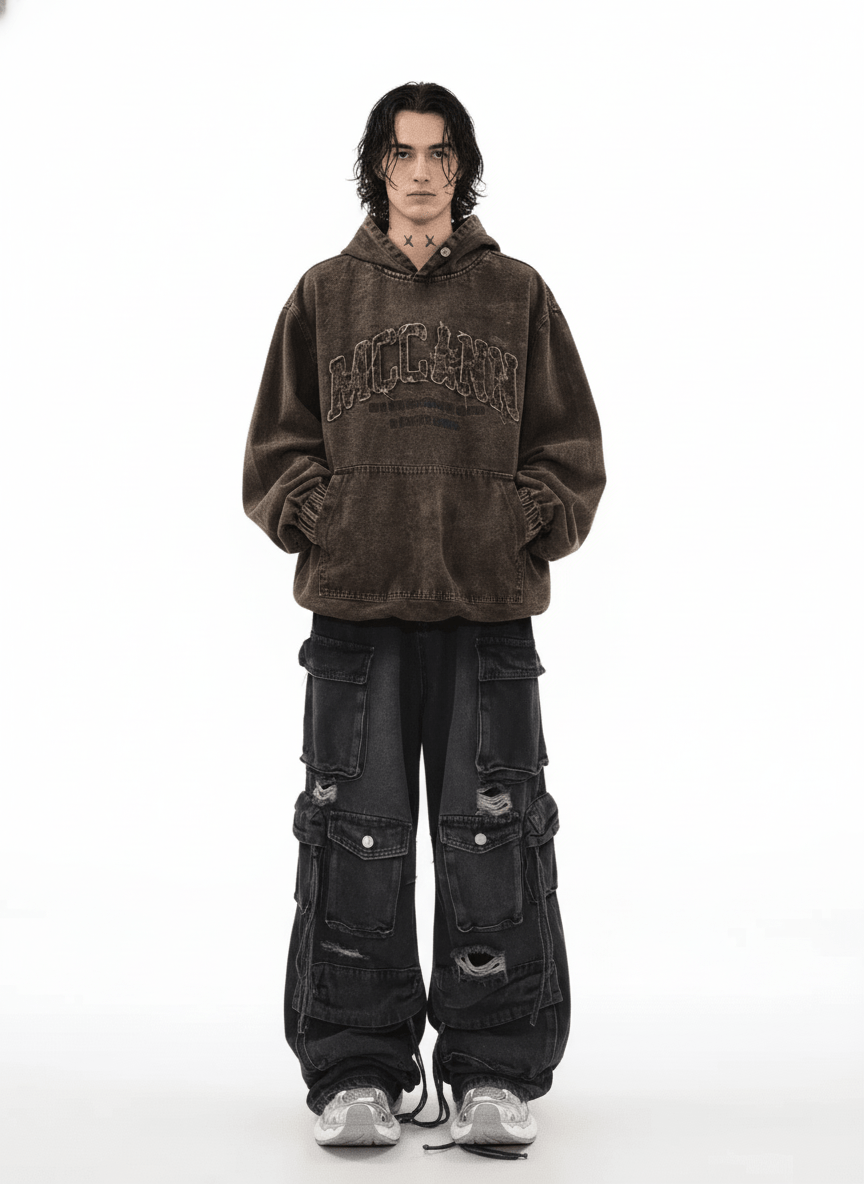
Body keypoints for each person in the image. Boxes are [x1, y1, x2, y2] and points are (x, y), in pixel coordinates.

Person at [242, 81, 606, 1158]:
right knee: (354, 837)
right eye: (401, 153)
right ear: (377, 166)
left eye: (439, 153)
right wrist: (332, 519)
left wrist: (518, 521)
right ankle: (357, 1067)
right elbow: (273, 451)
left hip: (486, 615)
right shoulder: (324, 295)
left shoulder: (517, 294)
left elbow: (570, 451)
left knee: (494, 836)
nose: (419, 172)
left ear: (462, 167)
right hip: (355, 618)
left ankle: (493, 1067)